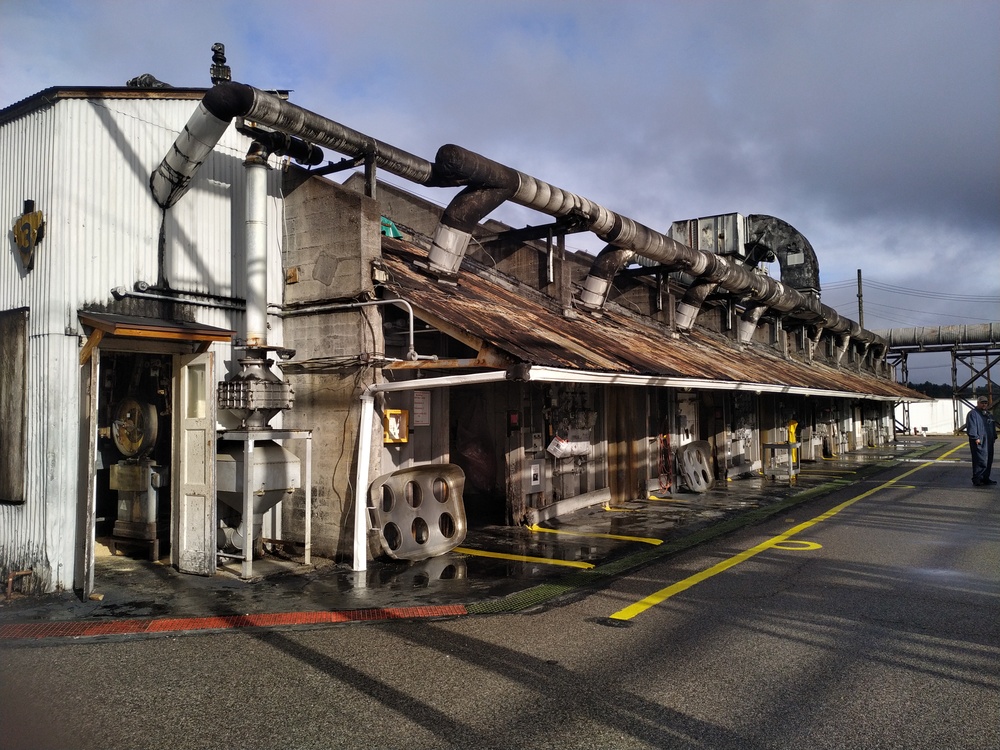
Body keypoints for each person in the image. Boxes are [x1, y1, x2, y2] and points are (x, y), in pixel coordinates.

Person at [966, 396, 997, 486]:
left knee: (988, 460)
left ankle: (985, 478)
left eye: (985, 403)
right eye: (982, 403)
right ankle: (977, 479)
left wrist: (994, 436)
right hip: (979, 441)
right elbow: (972, 427)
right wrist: (975, 438)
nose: (984, 404)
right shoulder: (973, 414)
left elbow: (992, 426)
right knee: (980, 460)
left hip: (989, 441)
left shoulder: (988, 414)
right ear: (978, 403)